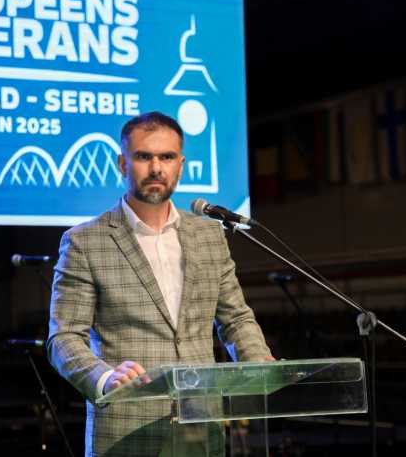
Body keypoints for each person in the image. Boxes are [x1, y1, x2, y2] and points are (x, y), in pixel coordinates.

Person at [47, 112, 272, 456]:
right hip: (126, 428)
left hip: (201, 427)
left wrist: (260, 364)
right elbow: (63, 338)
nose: (156, 168)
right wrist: (105, 378)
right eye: (143, 156)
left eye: (166, 157)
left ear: (180, 165)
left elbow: (236, 318)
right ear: (122, 164)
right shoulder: (85, 241)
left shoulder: (209, 235)